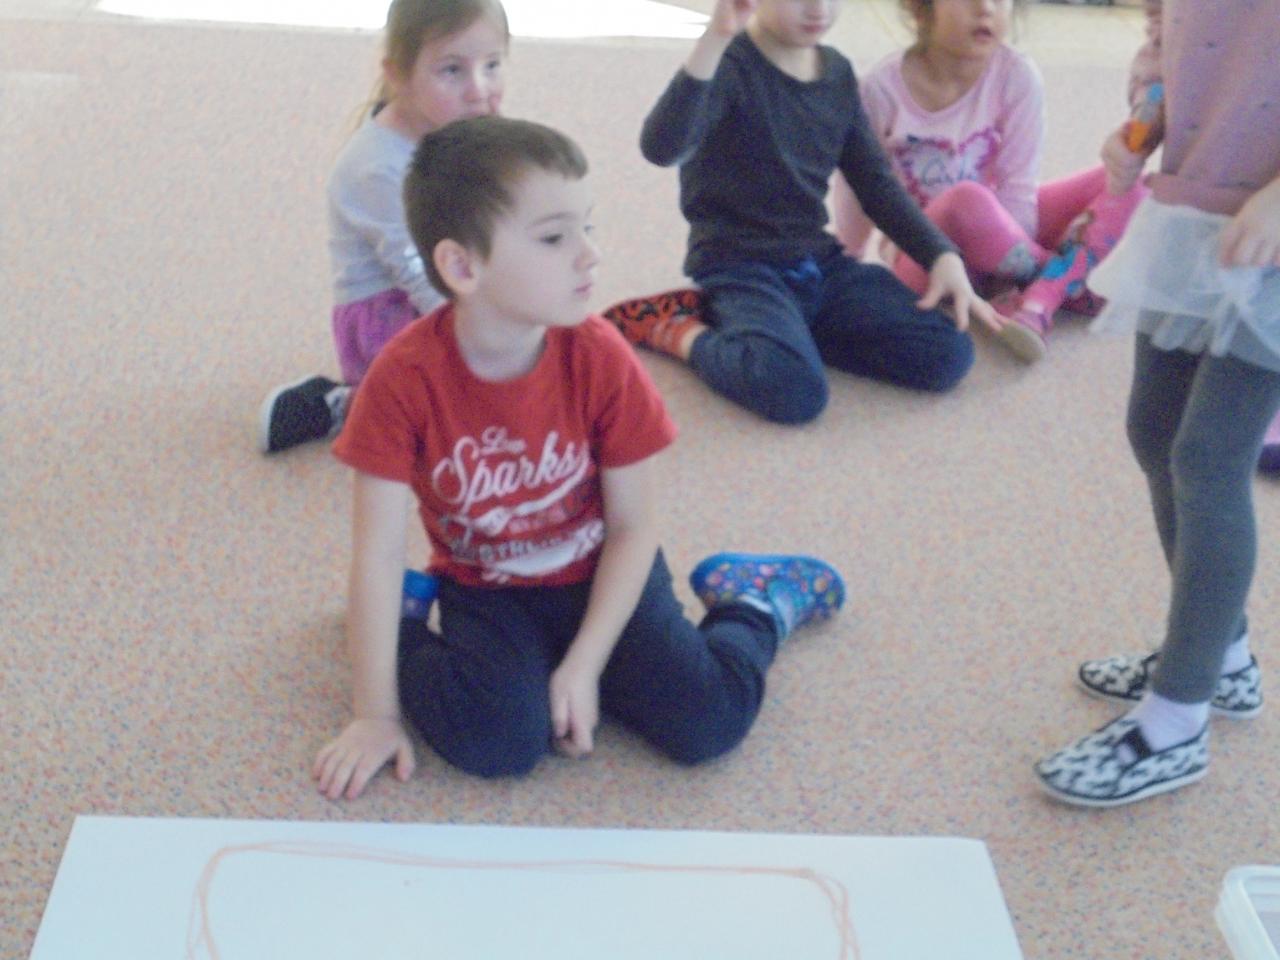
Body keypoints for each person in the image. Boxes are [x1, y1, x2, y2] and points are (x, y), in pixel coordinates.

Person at [313, 116, 847, 797]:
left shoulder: (600, 357)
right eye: (554, 238)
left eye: (586, 229)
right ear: (462, 266)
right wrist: (374, 715)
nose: (590, 256)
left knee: (707, 723)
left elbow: (633, 530)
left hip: (603, 570)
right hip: (486, 586)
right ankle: (405, 623)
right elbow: (377, 555)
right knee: (496, 744)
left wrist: (586, 663)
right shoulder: (401, 380)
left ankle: (754, 603)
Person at [1035, 0, 1280, 807]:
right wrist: (1143, 121)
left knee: (1208, 459)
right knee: (1154, 429)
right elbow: (1168, 32)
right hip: (1194, 197)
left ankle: (1176, 720)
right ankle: (1220, 655)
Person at [603, 0, 999, 427]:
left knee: (947, 354)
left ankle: (785, 331)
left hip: (817, 262)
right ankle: (679, 326)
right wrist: (714, 39)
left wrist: (939, 254)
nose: (818, 8)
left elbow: (875, 184)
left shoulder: (837, 73)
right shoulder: (729, 65)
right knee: (795, 391)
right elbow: (661, 147)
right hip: (738, 265)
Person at [831, 0, 1149, 363]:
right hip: (922, 256)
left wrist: (1007, 261)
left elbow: (1018, 186)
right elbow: (857, 184)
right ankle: (1064, 282)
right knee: (966, 200)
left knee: (1126, 179)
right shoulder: (881, 88)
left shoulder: (1016, 75)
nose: (986, 8)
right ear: (921, 7)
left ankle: (1036, 287)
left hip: (997, 229)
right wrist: (847, 263)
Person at [258, 0, 508, 454]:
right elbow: (416, 272)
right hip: (390, 314)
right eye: (452, 70)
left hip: (445, 282)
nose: (479, 89)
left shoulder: (455, 125)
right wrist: (485, 336)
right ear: (398, 75)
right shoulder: (377, 168)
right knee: (442, 431)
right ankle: (346, 405)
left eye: (492, 65)